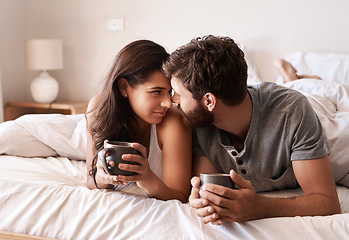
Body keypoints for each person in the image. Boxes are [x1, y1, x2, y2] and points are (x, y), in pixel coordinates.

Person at [163, 35, 341, 223]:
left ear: (209, 101)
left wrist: (258, 207)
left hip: (318, 109)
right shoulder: (200, 123)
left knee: (321, 96)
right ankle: (291, 79)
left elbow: (328, 203)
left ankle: (293, 78)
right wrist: (201, 201)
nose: (172, 102)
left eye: (178, 94)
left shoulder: (292, 111)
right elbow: (206, 188)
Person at [86, 40, 192, 202]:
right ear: (124, 87)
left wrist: (147, 178)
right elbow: (91, 182)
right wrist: (101, 178)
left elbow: (181, 196)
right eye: (156, 92)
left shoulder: (172, 121)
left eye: (169, 92)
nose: (168, 103)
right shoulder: (98, 109)